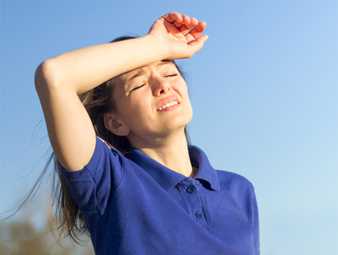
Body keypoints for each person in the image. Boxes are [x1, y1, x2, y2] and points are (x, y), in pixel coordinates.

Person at [34, 11, 260, 255]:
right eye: (139, 84)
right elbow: (55, 76)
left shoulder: (239, 190)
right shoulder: (110, 182)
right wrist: (156, 45)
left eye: (170, 74)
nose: (162, 86)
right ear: (115, 123)